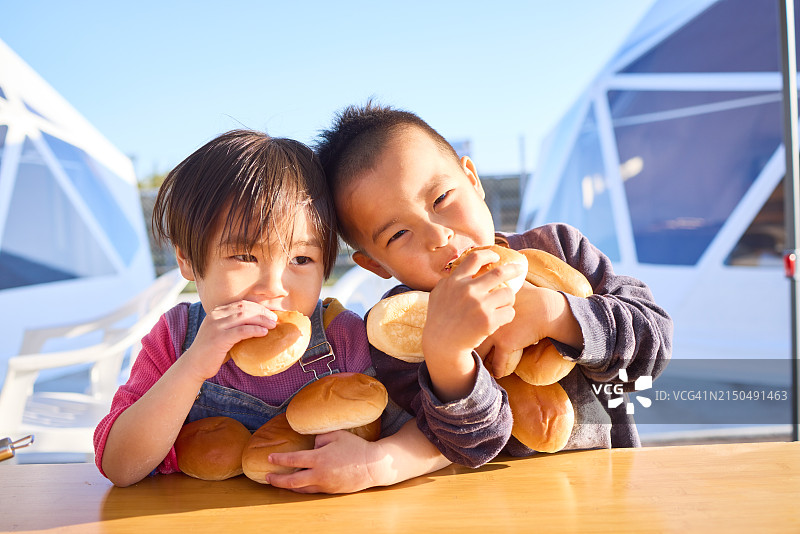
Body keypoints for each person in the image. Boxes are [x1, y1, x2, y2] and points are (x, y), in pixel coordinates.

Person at [314, 102, 673, 467]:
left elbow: (653, 351)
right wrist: (448, 360)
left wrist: (556, 314)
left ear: (472, 179)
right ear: (375, 264)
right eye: (400, 233)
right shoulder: (398, 331)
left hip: (614, 494)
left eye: (441, 198)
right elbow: (469, 448)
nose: (438, 235)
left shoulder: (559, 250)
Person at [94, 130, 449, 492]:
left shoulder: (344, 338)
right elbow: (120, 465)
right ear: (187, 258)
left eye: (301, 259)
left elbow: (443, 432)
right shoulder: (176, 338)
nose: (274, 286)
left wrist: (375, 464)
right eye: (245, 256)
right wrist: (193, 367)